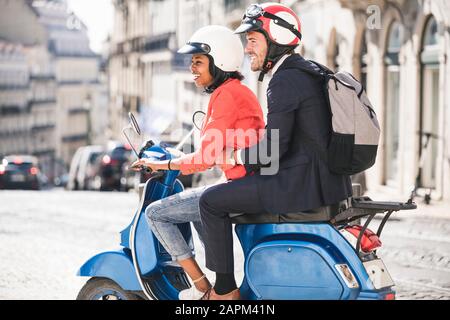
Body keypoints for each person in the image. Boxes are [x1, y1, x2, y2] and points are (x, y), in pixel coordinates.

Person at [198, 3, 353, 300]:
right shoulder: (310, 71)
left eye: (253, 40)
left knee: (210, 201)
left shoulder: (284, 80)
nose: (247, 49)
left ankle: (225, 291)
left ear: (276, 39)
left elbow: (272, 149)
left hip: (299, 186)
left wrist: (236, 157)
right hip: (324, 183)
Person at [131, 25, 265, 300]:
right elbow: (214, 150)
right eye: (191, 62)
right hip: (246, 181)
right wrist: (176, 158)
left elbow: (204, 159)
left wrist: (163, 166)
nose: (192, 67)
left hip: (245, 184)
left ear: (219, 62)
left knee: (156, 213)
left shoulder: (227, 96)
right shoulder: (234, 91)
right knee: (197, 201)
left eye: (198, 61)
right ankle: (219, 281)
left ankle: (205, 287)